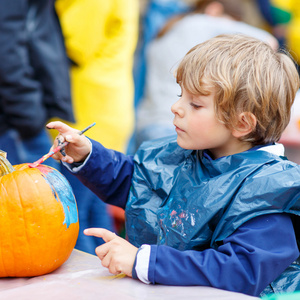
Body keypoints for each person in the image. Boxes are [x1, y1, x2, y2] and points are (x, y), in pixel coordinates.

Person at [46, 34, 300, 297]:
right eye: (181, 95)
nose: (175, 107)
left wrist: (145, 262)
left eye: (196, 104)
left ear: (242, 124)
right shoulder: (187, 153)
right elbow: (137, 184)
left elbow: (241, 271)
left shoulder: (270, 192)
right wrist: (88, 155)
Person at [134, 0, 279, 150]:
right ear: (214, 9)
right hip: (173, 127)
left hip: (146, 122)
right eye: (230, 23)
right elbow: (268, 40)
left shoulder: (164, 33)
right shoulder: (201, 23)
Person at [54, 0, 139, 247]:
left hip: (90, 107)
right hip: (106, 103)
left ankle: (77, 283)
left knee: (70, 215)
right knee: (92, 211)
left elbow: (76, 42)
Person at [0, 0, 74, 168]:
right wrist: (29, 118)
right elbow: (7, 52)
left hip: (21, 114)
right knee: (41, 190)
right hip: (16, 121)